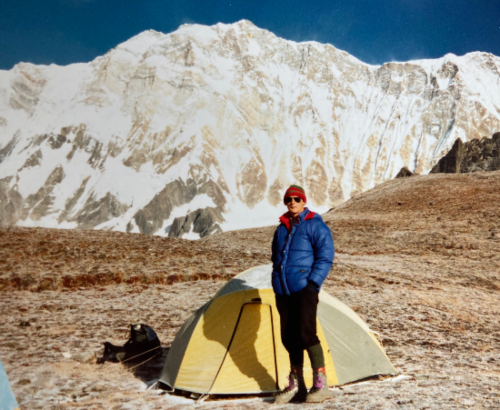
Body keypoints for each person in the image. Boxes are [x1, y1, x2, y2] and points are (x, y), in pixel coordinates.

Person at [271, 185, 334, 404]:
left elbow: (325, 257)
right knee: (289, 338)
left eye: (297, 199)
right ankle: (297, 386)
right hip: (283, 291)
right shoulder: (281, 229)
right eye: (289, 199)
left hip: (304, 290)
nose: (293, 202)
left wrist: (312, 284)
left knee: (307, 334)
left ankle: (320, 385)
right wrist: (276, 281)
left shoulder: (315, 225)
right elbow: (276, 259)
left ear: (304, 201)